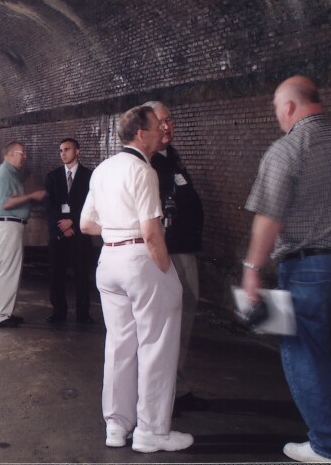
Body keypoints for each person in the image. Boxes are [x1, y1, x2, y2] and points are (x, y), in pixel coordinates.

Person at [240, 76, 331, 463]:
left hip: (307, 272)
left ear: (289, 106)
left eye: (275, 107)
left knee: (305, 354)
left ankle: (329, 446)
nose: (276, 115)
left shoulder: (287, 150)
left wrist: (252, 269)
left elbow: (269, 218)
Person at [79, 105, 193, 453]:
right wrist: (165, 270)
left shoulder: (102, 169)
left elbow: (86, 225)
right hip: (141, 261)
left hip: (108, 260)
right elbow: (151, 232)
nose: (164, 131)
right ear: (142, 135)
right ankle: (152, 432)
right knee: (156, 345)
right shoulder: (143, 171)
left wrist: (116, 231)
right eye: (158, 127)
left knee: (119, 344)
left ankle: (116, 425)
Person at [142, 101, 205, 410]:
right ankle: (162, 395)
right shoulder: (147, 162)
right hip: (167, 256)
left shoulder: (172, 158)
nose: (168, 126)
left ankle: (176, 386)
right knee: (165, 324)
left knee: (182, 322)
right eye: (161, 121)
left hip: (185, 250)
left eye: (170, 119)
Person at [0, 141, 46, 328]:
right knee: (8, 271)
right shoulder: (5, 174)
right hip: (8, 226)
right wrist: (31, 196)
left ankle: (5, 313)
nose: (25, 156)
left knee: (10, 271)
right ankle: (0, 316)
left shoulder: (10, 174)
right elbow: (6, 202)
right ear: (12, 154)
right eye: (23, 153)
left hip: (11, 226)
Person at [44, 138, 94, 324]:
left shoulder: (89, 176)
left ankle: (83, 314)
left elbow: (91, 204)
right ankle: (59, 312)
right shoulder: (53, 176)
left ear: (77, 151)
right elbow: (50, 206)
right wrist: (62, 226)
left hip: (80, 234)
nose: (63, 153)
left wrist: (72, 222)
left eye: (67, 149)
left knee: (82, 275)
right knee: (57, 274)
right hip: (58, 235)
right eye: (60, 150)